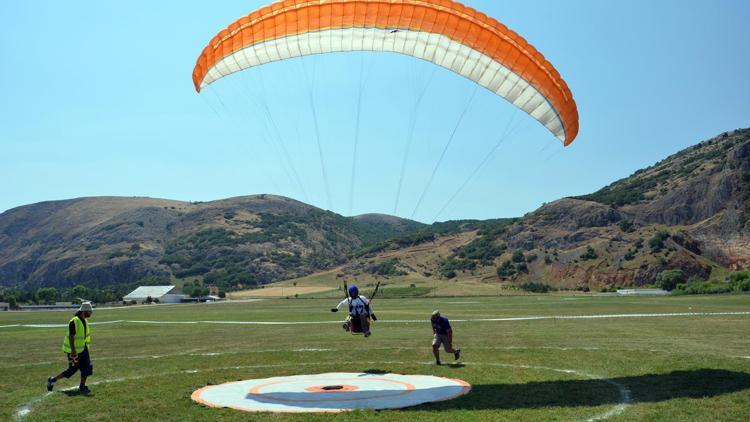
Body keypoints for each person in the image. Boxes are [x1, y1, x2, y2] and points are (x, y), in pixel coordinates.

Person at [47, 302, 94, 394]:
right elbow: (71, 336)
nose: (91, 314)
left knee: (87, 367)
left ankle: (82, 386)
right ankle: (52, 380)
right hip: (74, 351)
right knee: (72, 369)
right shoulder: (74, 321)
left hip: (83, 349)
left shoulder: (85, 320)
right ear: (84, 311)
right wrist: (73, 350)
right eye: (90, 312)